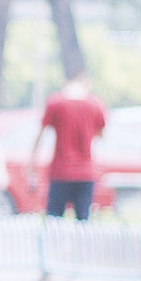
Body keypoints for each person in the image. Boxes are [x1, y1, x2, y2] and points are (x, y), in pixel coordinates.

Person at [31, 72, 106, 221]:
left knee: (54, 218)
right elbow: (100, 135)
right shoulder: (96, 105)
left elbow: (40, 134)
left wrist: (31, 165)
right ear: (86, 85)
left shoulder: (56, 103)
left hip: (60, 171)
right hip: (86, 171)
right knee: (83, 221)